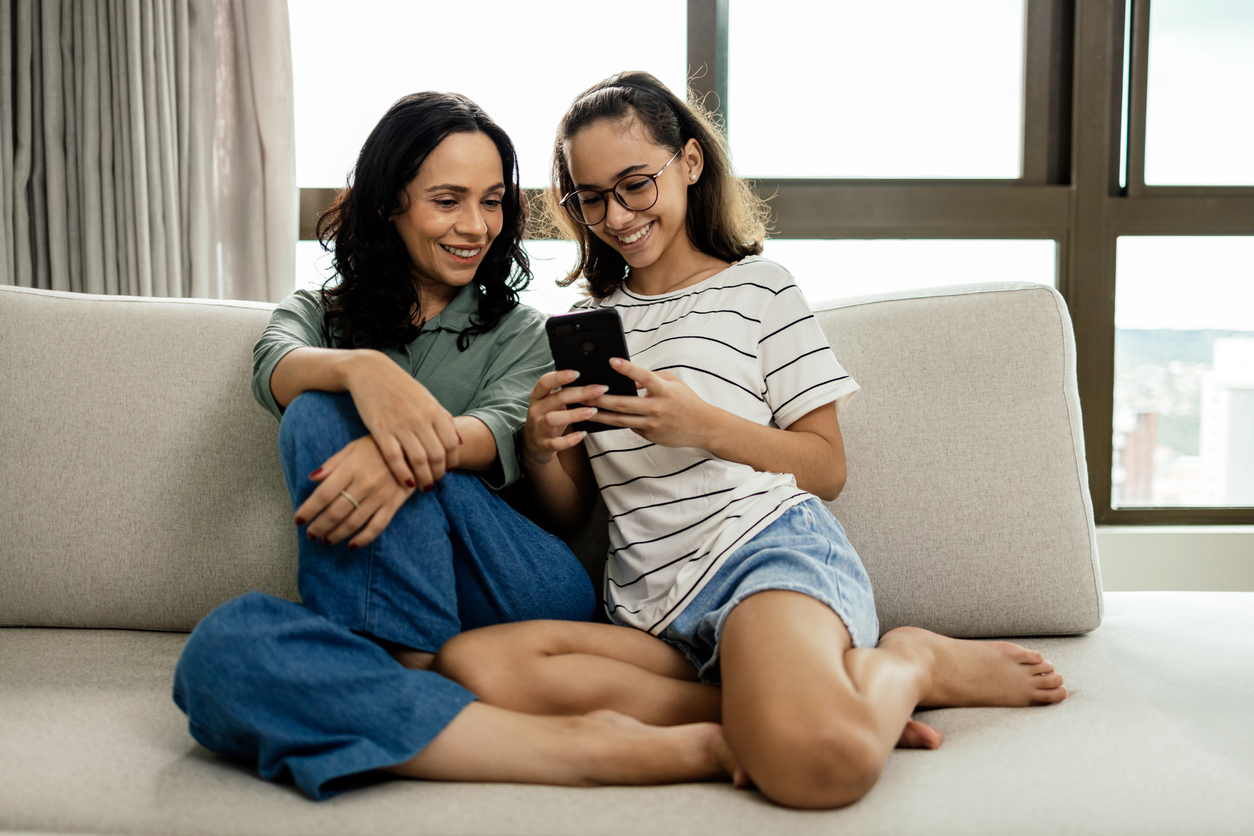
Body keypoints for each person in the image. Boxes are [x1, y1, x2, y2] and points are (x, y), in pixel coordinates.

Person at [431, 72, 1069, 810]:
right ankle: (783, 708)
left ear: (690, 164)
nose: (617, 215)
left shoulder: (760, 288)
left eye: (636, 184)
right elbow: (575, 516)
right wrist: (542, 447)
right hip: (655, 614)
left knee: (816, 769)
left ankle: (910, 665)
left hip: (764, 562)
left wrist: (704, 425)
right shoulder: (583, 326)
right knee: (470, 667)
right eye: (591, 198)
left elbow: (826, 468)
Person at [172, 91, 737, 800]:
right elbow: (272, 365)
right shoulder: (323, 314)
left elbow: (501, 427)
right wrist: (364, 368)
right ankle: (549, 737)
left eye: (493, 201)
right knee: (219, 657)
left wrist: (398, 449)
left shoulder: (524, 332)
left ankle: (391, 673)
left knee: (322, 416)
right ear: (390, 203)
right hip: (419, 632)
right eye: (448, 200)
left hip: (518, 589)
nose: (476, 226)